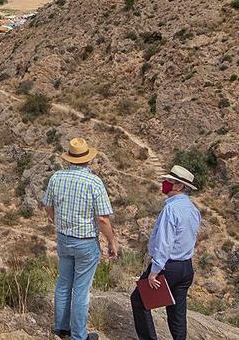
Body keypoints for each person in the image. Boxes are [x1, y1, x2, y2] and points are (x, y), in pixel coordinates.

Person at [42, 138, 119, 340]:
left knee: (63, 284)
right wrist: (111, 241)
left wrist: (56, 221)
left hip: (63, 239)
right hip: (85, 242)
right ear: (88, 159)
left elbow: (48, 206)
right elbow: (102, 218)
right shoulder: (94, 182)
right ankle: (79, 336)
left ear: (69, 158)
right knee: (81, 291)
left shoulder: (56, 177)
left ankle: (61, 329)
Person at [131, 164, 202, 340]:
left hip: (167, 266)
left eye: (169, 181)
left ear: (179, 186)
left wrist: (154, 272)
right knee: (177, 313)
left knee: (139, 301)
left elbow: (165, 243)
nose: (164, 183)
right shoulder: (193, 209)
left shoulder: (171, 209)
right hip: (186, 267)